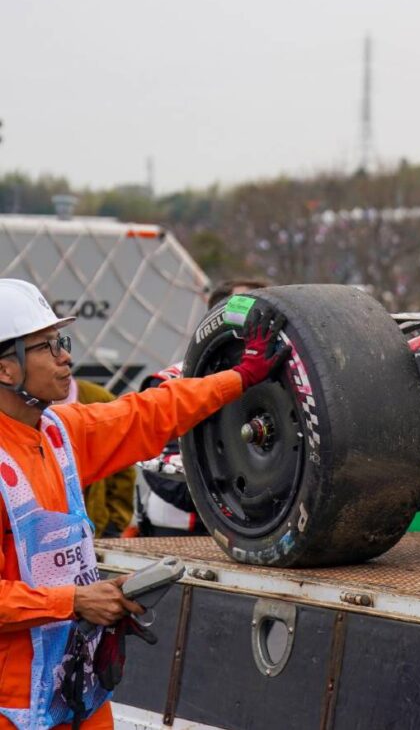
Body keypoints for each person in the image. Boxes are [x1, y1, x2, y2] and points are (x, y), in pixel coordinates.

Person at [0, 278, 287, 729]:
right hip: (13, 705)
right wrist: (75, 600)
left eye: (62, 342)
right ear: (5, 370)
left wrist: (239, 377)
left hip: (76, 689)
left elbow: (150, 413)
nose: (65, 357)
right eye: (47, 346)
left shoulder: (58, 432)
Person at [136, 276, 271, 537]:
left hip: (259, 530)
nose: (258, 322)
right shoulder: (170, 382)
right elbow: (162, 471)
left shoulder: (290, 385)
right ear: (214, 320)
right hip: (180, 531)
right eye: (247, 310)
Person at [56, 381, 134, 538]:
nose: (63, 368)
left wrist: (116, 521)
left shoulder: (99, 399)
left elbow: (124, 463)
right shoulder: (19, 405)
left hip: (97, 526)